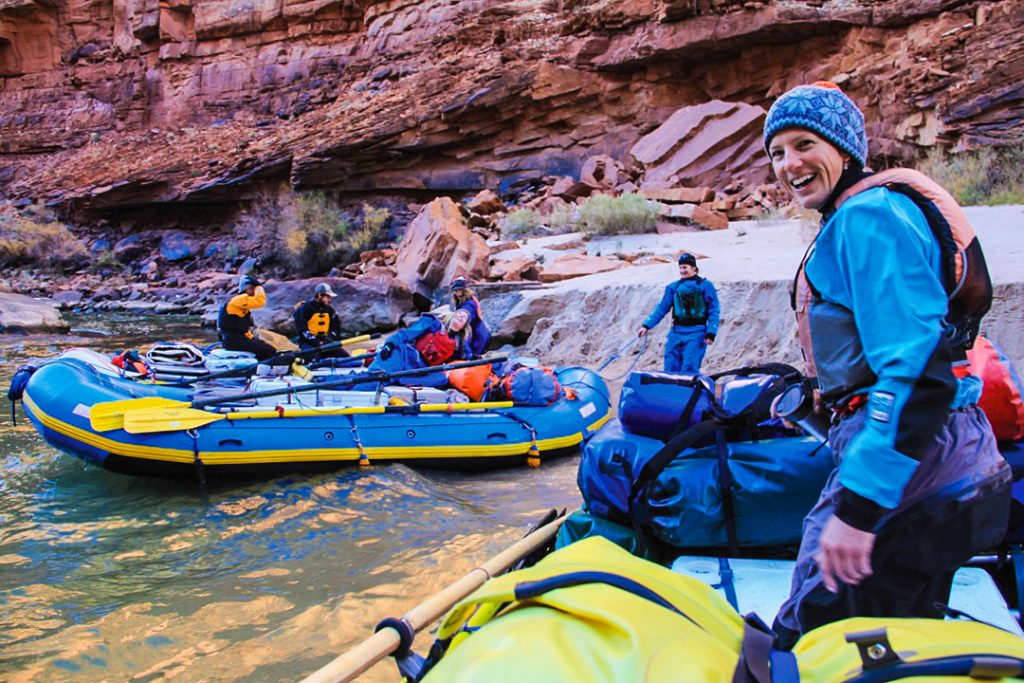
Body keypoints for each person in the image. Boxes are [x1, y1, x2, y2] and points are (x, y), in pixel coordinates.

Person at [763, 82, 1010, 647]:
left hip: (920, 470)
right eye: (777, 152)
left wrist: (858, 509)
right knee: (899, 645)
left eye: (804, 144)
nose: (788, 164)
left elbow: (919, 372)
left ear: (844, 148)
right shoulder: (865, 212)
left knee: (809, 641)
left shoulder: (868, 217)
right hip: (953, 462)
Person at [637, 253, 720, 374]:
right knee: (670, 364)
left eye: (685, 267)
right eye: (680, 268)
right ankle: (670, 392)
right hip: (676, 331)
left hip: (697, 332)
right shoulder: (673, 287)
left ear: (693, 268)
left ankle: (688, 392)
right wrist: (646, 325)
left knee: (689, 365)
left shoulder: (705, 286)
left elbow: (714, 310)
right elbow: (661, 308)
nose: (682, 270)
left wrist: (711, 333)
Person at [217, 274, 276, 361]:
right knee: (269, 351)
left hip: (235, 339)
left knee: (265, 347)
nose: (254, 292)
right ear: (247, 289)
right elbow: (260, 302)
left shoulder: (241, 302)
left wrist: (252, 338)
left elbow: (242, 328)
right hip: (234, 341)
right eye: (252, 289)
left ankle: (259, 367)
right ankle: (262, 370)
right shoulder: (240, 299)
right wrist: (259, 287)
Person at [293, 282, 349, 358]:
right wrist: (316, 341)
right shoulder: (304, 309)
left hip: (326, 342)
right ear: (319, 295)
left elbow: (336, 328)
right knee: (312, 359)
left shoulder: (330, 310)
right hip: (309, 343)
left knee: (345, 356)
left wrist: (328, 338)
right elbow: (302, 329)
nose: (330, 300)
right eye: (328, 297)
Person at [450, 276, 491, 359]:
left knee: (461, 335)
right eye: (456, 290)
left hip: (477, 337)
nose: (458, 292)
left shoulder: (469, 303)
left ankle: (469, 356)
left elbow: (464, 318)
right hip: (477, 334)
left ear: (464, 290)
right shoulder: (461, 302)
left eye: (460, 290)